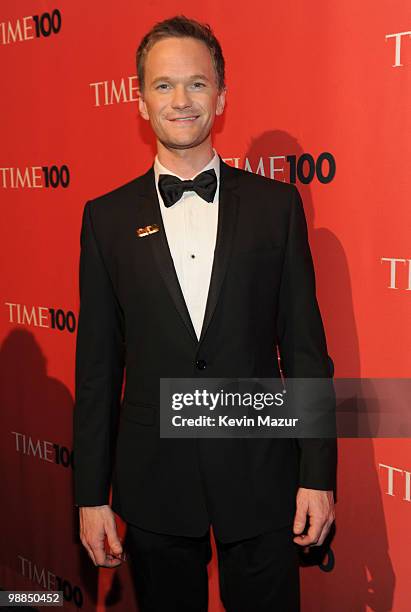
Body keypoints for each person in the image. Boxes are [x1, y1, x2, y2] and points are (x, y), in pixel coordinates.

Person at [73, 15, 337, 612]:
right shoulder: (105, 219)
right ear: (140, 101)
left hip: (262, 475)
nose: (182, 100)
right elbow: (96, 368)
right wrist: (91, 495)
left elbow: (305, 351)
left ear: (221, 95)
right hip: (154, 481)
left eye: (197, 83)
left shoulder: (277, 207)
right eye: (164, 85)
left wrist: (317, 475)